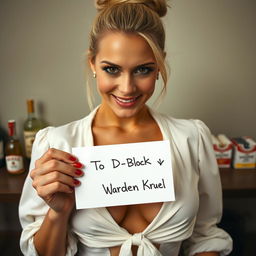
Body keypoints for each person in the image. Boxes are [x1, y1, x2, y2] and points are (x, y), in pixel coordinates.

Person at [19, 0, 233, 255]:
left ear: (159, 66)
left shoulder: (191, 139)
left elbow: (205, 236)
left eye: (143, 69)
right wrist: (58, 212)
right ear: (92, 64)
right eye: (112, 69)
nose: (127, 88)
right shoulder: (57, 144)